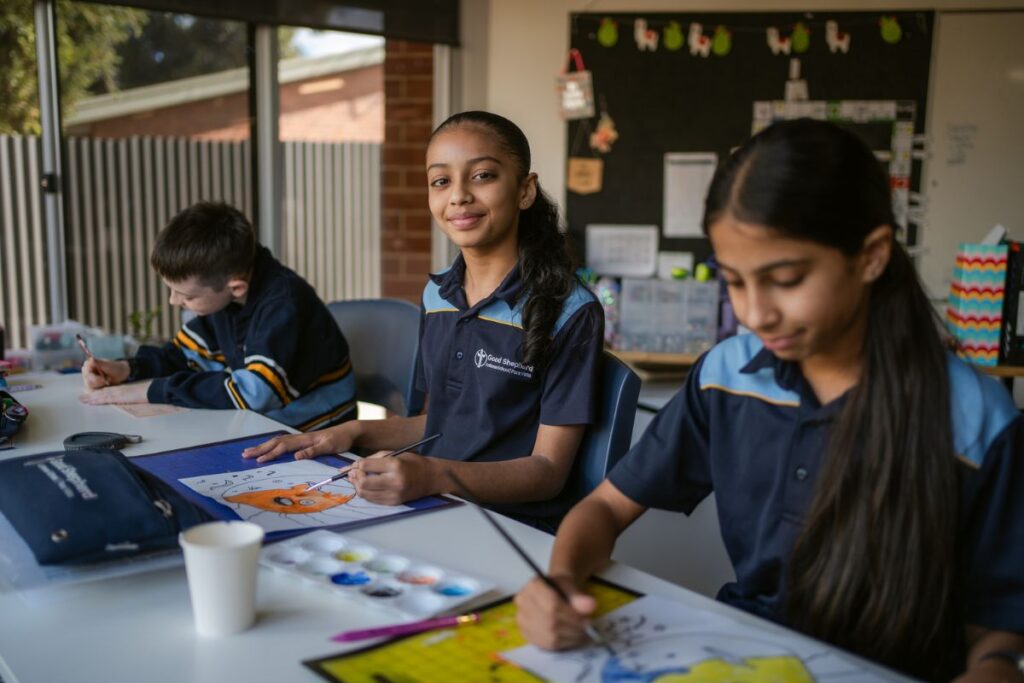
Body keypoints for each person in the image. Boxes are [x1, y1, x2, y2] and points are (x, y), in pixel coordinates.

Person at [514, 119, 1024, 682]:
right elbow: (606, 507)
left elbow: (997, 627)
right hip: (748, 657)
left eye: (785, 279)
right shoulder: (729, 375)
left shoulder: (975, 418)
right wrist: (560, 581)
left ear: (873, 255)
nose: (756, 313)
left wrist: (996, 665)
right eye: (734, 281)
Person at [243, 111, 604, 531]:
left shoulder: (572, 311)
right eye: (441, 181)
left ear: (525, 190)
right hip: (435, 507)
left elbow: (547, 471)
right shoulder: (437, 296)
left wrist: (432, 475)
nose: (459, 196)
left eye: (483, 176)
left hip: (514, 529)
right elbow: (440, 425)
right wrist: (352, 433)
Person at [80, 201, 357, 432]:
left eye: (186, 296)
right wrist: (129, 369)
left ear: (235, 287)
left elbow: (254, 393)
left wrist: (152, 390)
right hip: (263, 421)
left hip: (316, 428)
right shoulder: (229, 293)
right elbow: (185, 356)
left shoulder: (283, 304)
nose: (174, 301)